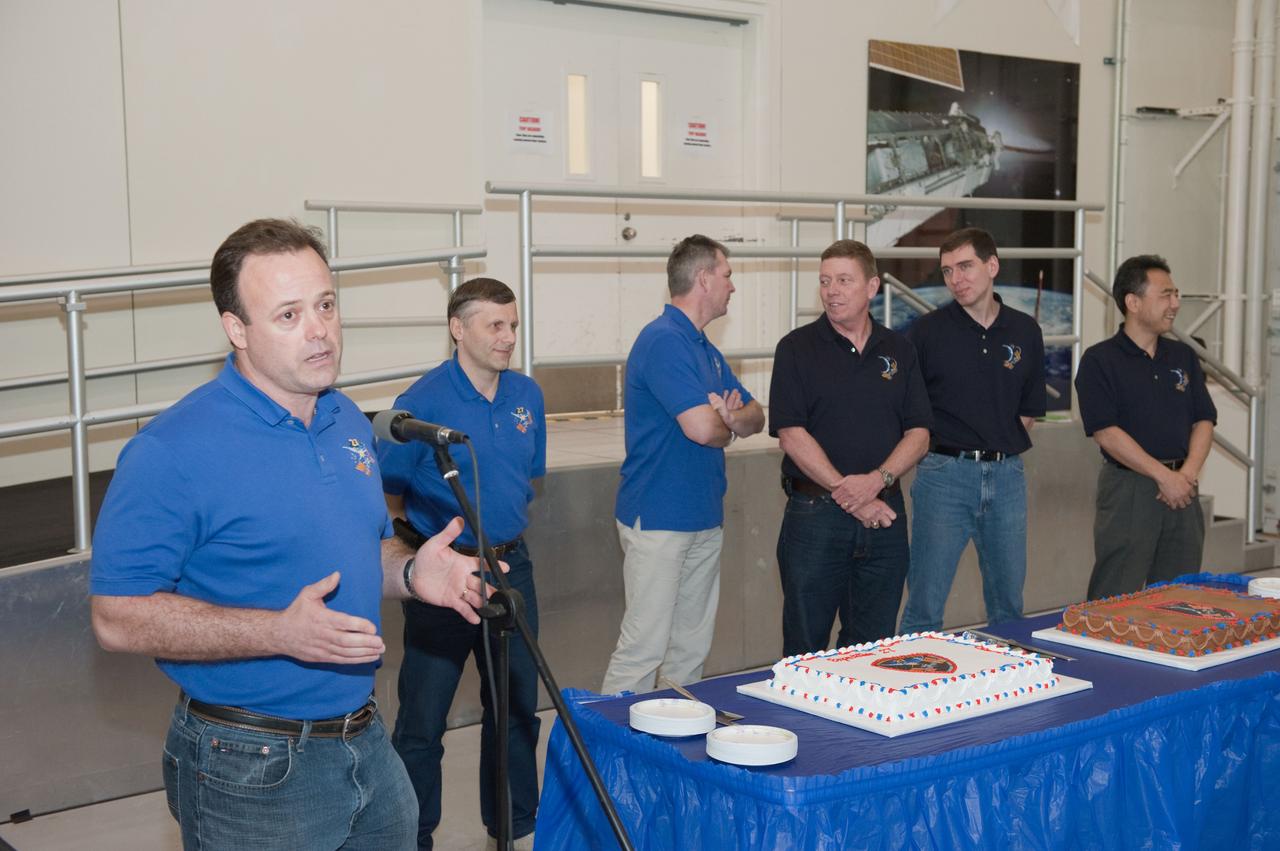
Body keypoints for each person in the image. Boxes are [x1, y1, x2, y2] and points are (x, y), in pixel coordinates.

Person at [89, 218, 489, 851]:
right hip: (249, 760)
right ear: (236, 329)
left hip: (364, 738)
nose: (319, 330)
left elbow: (360, 552)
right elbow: (115, 616)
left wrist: (412, 573)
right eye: (288, 315)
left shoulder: (347, 419)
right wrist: (276, 631)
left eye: (326, 305)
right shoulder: (172, 450)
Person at [377, 278, 545, 851]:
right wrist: (418, 547)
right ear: (458, 328)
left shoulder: (527, 395)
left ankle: (514, 828)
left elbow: (530, 477)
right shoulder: (421, 404)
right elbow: (387, 488)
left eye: (513, 325)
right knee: (423, 721)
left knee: (517, 709)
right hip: (443, 576)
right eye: (495, 325)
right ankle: (414, 835)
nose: (507, 337)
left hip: (511, 571)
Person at [601, 234, 764, 694]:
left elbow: (756, 415)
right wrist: (725, 422)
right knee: (644, 648)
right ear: (704, 278)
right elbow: (703, 430)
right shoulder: (664, 342)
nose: (733, 286)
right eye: (728, 275)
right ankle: (604, 759)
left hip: (702, 517)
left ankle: (669, 751)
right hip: (659, 518)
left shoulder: (705, 350)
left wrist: (729, 416)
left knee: (688, 652)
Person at [769, 239, 931, 657]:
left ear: (872, 286)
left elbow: (919, 433)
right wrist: (851, 493)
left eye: (844, 280)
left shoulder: (900, 349)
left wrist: (877, 481)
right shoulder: (796, 349)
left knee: (873, 649)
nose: (832, 290)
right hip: (816, 519)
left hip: (885, 519)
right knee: (805, 648)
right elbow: (791, 433)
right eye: (825, 281)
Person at [898, 228, 1046, 633]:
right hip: (944, 476)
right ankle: (912, 687)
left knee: (1009, 606)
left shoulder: (1025, 332)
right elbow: (906, 408)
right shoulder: (925, 332)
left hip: (1008, 477)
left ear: (992, 266)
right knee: (925, 605)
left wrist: (996, 445)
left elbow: (1030, 410)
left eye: (965, 266)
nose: (956, 279)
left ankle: (1010, 687)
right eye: (947, 271)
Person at [1075, 255, 1216, 599]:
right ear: (1133, 302)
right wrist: (1163, 477)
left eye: (1176, 294)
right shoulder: (1100, 360)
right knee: (1115, 592)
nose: (1176, 304)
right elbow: (1106, 432)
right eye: (1166, 295)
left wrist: (1187, 475)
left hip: (1184, 489)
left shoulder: (1183, 357)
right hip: (1130, 490)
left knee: (1179, 595)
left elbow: (1204, 419)